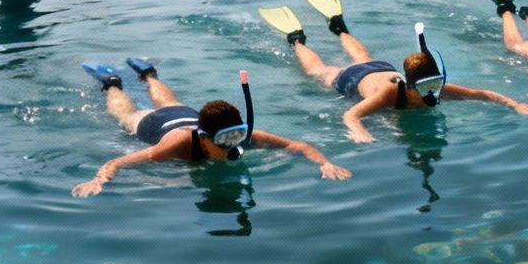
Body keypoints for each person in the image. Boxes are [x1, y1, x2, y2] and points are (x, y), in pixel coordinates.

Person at [259, 0, 528, 142]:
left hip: (380, 68)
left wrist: (515, 104)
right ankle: (297, 39)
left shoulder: (436, 88)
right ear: (410, 84)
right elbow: (351, 115)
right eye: (428, 86)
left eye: (437, 84)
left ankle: (339, 27)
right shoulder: (390, 94)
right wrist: (358, 131)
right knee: (319, 71)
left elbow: (482, 94)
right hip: (354, 79)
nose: (434, 91)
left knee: (364, 56)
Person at [71, 58, 349, 196]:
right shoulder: (176, 146)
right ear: (204, 138)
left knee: (170, 100)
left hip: (183, 113)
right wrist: (99, 180)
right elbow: (119, 161)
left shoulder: (238, 137)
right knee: (125, 114)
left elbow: (297, 145)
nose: (233, 147)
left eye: (237, 136)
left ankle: (148, 74)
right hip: (154, 125)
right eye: (224, 141)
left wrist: (324, 163)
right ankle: (112, 83)